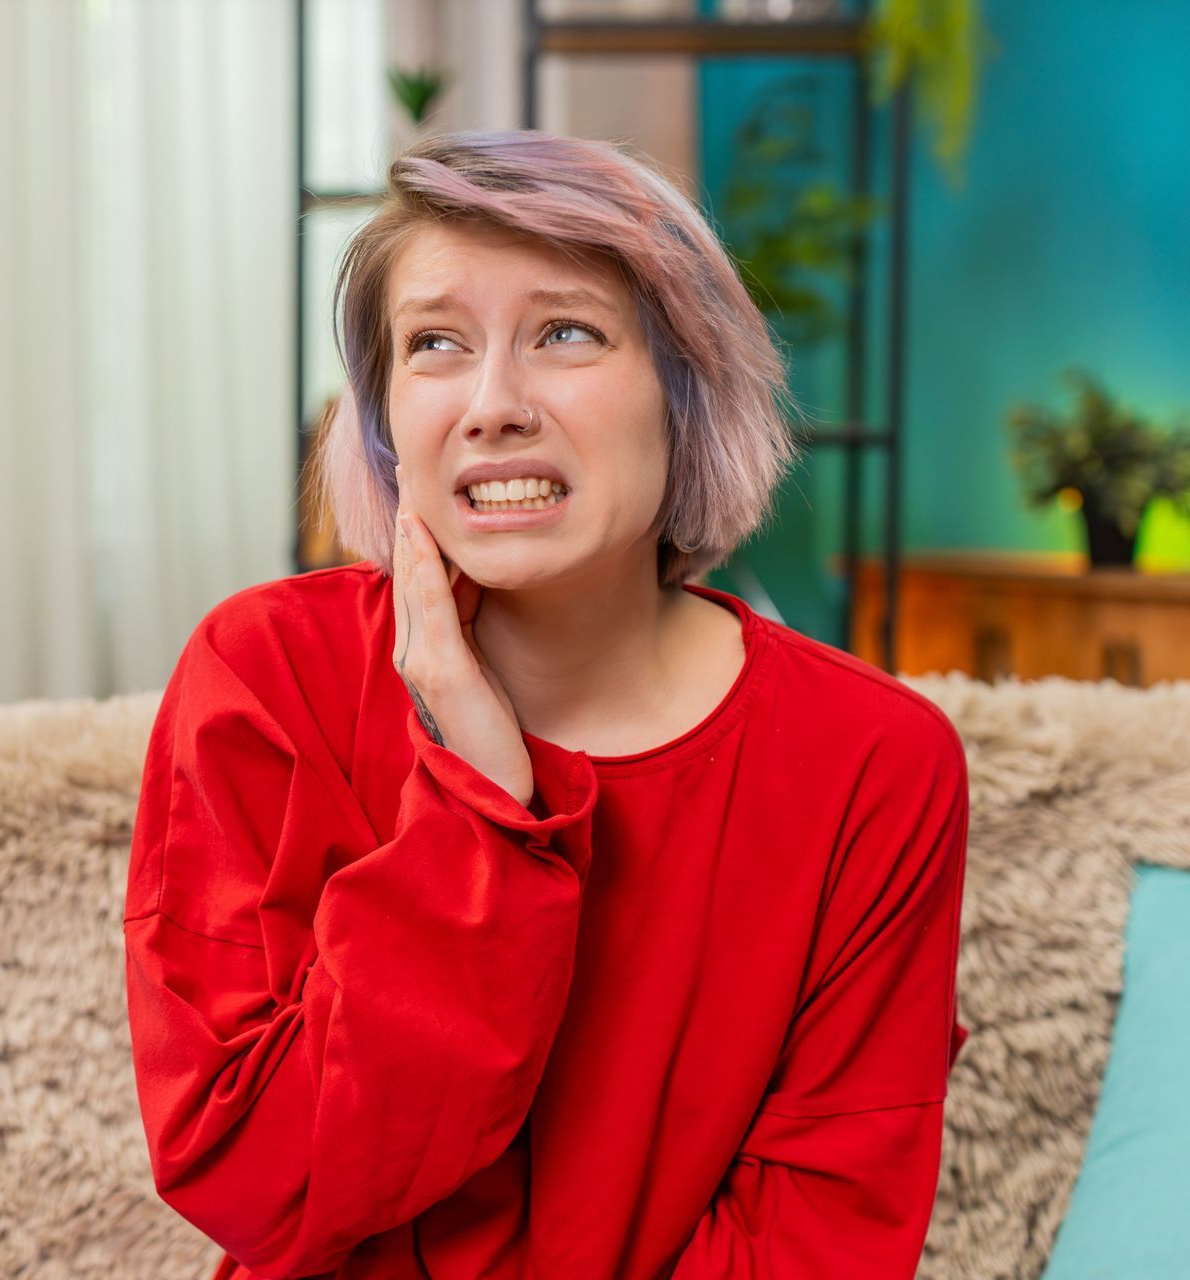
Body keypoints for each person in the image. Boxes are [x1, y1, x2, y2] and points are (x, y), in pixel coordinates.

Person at [122, 129, 971, 1279]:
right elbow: (257, 1175)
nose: (493, 405)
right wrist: (476, 810)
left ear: (686, 386)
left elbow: (817, 1234)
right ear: (383, 423)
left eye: (565, 331)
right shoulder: (270, 679)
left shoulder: (873, 762)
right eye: (434, 344)